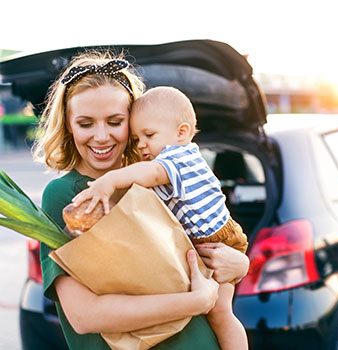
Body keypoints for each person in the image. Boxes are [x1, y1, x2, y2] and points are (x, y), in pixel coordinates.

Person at [33, 51, 250, 350]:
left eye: (114, 121)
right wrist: (195, 301)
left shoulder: (152, 182)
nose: (101, 136)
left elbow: (202, 243)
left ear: (133, 123)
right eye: (86, 123)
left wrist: (240, 263)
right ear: (69, 126)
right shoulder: (67, 196)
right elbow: (84, 315)